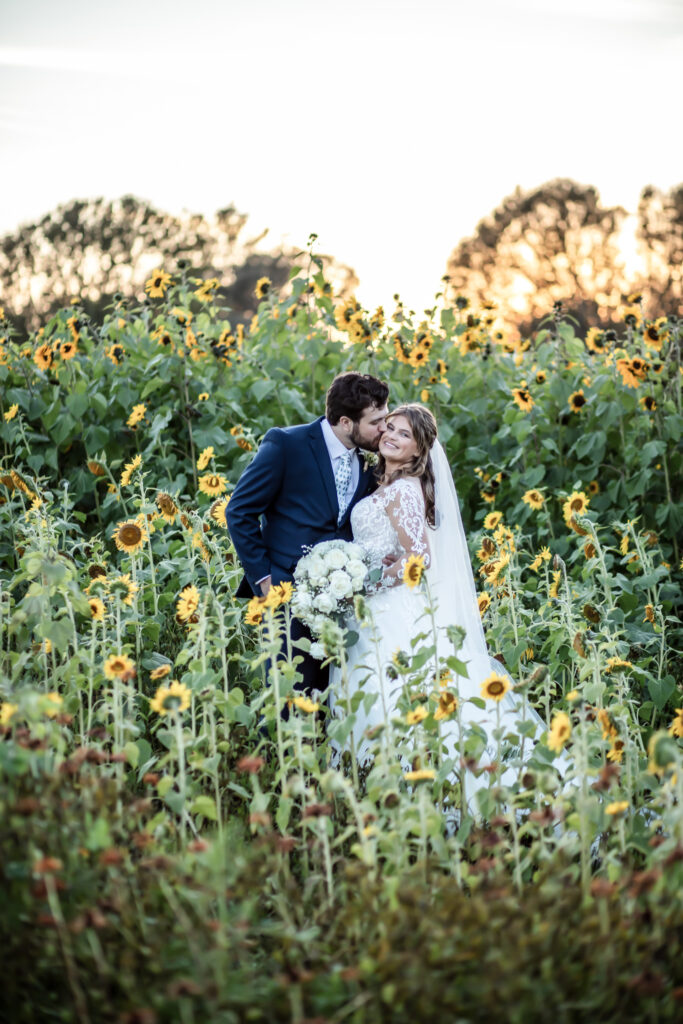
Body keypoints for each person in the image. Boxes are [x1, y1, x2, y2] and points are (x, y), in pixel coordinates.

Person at [328, 403, 553, 806]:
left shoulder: (402, 491)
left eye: (403, 435)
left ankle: (439, 796)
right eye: (389, 428)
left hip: (390, 609)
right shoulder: (383, 484)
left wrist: (365, 582)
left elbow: (419, 559)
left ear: (418, 452)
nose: (390, 436)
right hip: (375, 610)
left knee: (398, 701)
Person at [226, 371, 389, 695]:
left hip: (343, 600)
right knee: (289, 698)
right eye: (376, 422)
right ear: (345, 422)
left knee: (333, 700)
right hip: (286, 594)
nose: (383, 428)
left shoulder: (371, 460)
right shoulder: (287, 445)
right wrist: (264, 581)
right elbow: (239, 511)